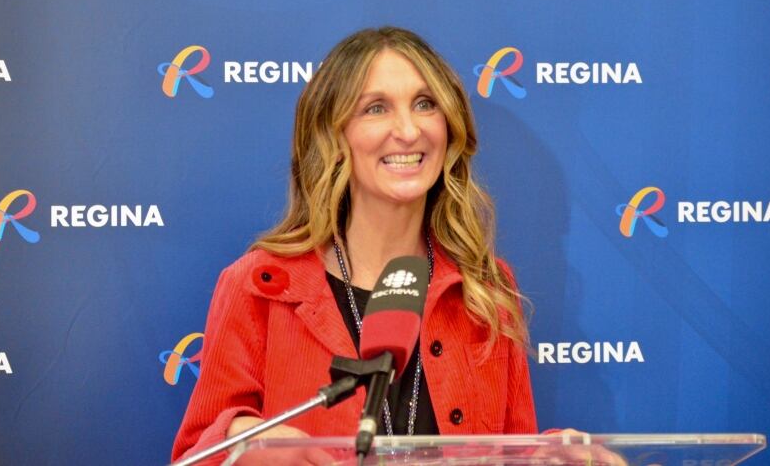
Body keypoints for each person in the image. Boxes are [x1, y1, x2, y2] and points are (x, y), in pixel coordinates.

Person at [172, 26, 537, 464]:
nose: (407, 130)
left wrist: (569, 455)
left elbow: (520, 449)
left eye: (425, 104)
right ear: (334, 135)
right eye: (376, 108)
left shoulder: (487, 290)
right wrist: (245, 445)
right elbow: (194, 456)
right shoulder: (260, 285)